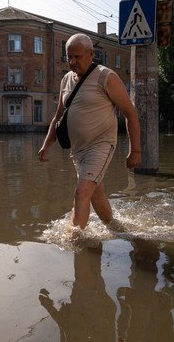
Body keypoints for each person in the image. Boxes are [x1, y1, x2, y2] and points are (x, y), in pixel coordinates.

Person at [38, 33, 141, 230]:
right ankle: (116, 228)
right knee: (95, 193)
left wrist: (135, 150)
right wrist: (46, 145)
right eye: (69, 56)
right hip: (78, 150)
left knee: (81, 192)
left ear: (91, 54)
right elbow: (58, 116)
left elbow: (130, 114)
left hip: (101, 145)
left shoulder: (106, 76)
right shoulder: (66, 79)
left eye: (77, 56)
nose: (72, 61)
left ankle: (75, 240)